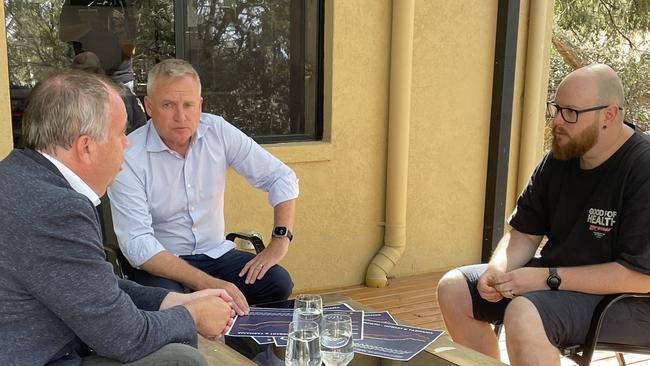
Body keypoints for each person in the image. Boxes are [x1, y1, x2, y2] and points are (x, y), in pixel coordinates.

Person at [0, 69, 235, 365]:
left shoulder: (16, 173)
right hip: (38, 356)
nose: (127, 144)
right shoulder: (57, 209)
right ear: (86, 147)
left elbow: (90, 283)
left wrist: (170, 300)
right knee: (182, 360)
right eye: (121, 133)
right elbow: (124, 338)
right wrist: (192, 315)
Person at [436, 64, 650, 366]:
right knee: (454, 289)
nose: (558, 121)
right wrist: (498, 268)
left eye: (571, 112)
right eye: (557, 108)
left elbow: (641, 277)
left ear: (609, 115)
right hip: (559, 283)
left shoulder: (642, 168)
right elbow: (524, 233)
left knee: (523, 311)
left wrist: (546, 278)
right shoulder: (560, 157)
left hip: (630, 302)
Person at [107, 58, 298, 315]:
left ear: (200, 105)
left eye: (188, 105)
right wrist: (209, 285)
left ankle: (250, 349)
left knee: (277, 283)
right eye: (168, 105)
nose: (180, 116)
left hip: (216, 254)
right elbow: (138, 244)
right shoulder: (130, 156)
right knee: (172, 306)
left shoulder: (216, 131)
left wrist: (279, 242)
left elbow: (280, 176)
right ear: (149, 106)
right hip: (163, 262)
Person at [71, 51, 147, 133]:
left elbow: (140, 124)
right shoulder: (72, 97)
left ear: (98, 71)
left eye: (86, 72)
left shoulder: (121, 91)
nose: (82, 78)